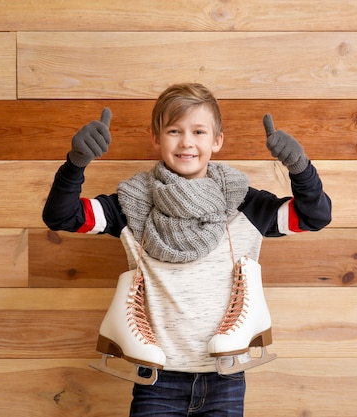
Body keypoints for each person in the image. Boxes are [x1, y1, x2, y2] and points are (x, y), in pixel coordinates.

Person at [42, 83, 332, 417]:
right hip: (156, 380)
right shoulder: (131, 206)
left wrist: (300, 167)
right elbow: (61, 215)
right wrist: (76, 163)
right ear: (156, 138)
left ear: (217, 140)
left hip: (225, 377)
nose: (187, 142)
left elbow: (315, 215)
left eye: (198, 131)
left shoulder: (246, 205)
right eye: (174, 131)